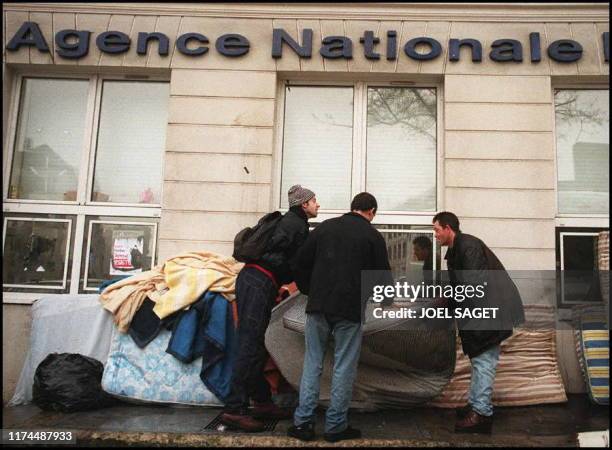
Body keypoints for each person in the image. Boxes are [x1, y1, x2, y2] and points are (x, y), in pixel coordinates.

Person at [287, 192, 392, 443]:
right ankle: (335, 427)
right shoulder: (372, 236)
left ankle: (303, 424)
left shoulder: (325, 228)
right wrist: (384, 301)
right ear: (372, 211)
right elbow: (383, 278)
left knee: (313, 363)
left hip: (319, 306)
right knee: (344, 366)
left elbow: (299, 263)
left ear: (352, 207)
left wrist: (310, 290)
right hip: (349, 310)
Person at [220, 185, 320, 432]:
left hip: (258, 280)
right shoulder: (295, 224)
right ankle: (234, 409)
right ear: (303, 204)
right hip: (259, 281)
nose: (318, 205)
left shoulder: (291, 222)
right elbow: (294, 262)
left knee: (255, 344)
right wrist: (309, 288)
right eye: (314, 201)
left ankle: (262, 402)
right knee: (250, 344)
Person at [432, 211, 525, 434]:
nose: (434, 235)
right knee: (479, 362)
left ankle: (482, 415)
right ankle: (476, 404)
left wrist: (448, 301)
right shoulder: (457, 250)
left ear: (447, 228)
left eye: (436, 230)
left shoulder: (468, 247)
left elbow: (473, 286)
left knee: (484, 363)